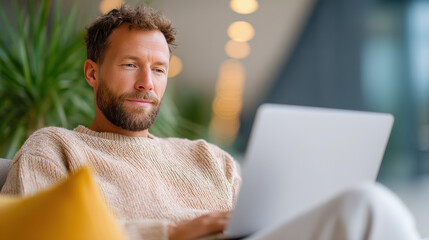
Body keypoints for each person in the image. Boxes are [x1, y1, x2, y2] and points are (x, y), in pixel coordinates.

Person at [0, 4, 424, 240]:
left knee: (363, 205)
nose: (147, 83)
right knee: (370, 207)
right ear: (93, 73)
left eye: (159, 70)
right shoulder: (54, 147)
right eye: (130, 65)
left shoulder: (208, 158)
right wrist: (171, 232)